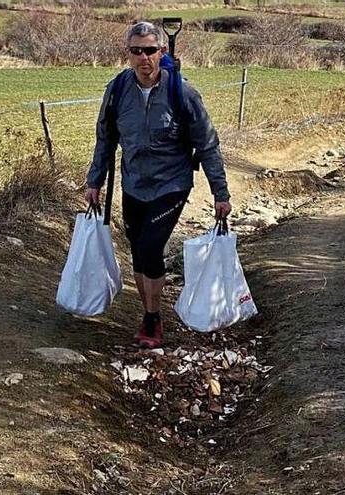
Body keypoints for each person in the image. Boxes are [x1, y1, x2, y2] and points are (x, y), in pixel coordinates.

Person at [85, 21, 232, 349]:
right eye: (136, 51)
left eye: (150, 50)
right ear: (129, 54)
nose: (143, 58)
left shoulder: (182, 92)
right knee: (138, 253)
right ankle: (149, 312)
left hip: (172, 184)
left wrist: (219, 193)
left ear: (161, 52)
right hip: (134, 182)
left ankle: (153, 319)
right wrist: (94, 181)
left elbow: (207, 144)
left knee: (151, 248)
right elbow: (105, 139)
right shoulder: (118, 90)